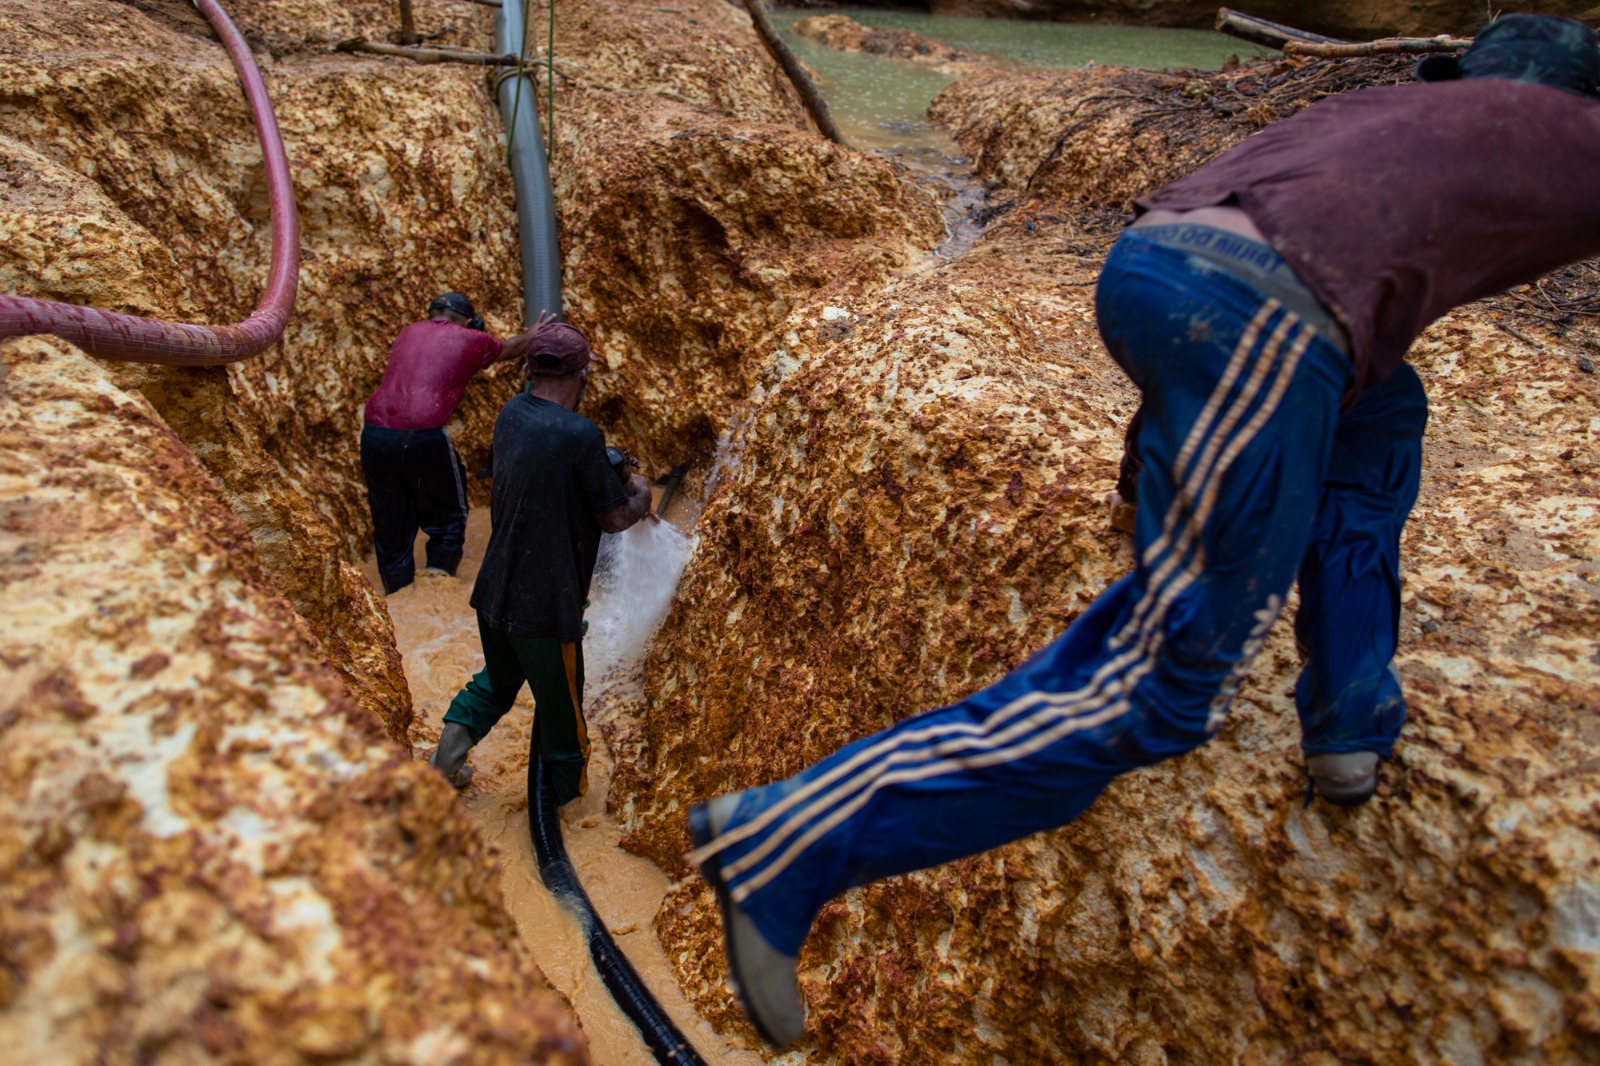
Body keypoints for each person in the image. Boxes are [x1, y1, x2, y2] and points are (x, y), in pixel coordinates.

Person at [685, 14, 1600, 1048]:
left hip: (1159, 270)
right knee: (1163, 689)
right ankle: (788, 839)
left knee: (1382, 410)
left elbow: (1210, 253)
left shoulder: (1377, 111)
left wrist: (1149, 478)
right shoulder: (1568, 139)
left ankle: (1349, 713)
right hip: (1261, 313)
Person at [429, 322, 655, 796]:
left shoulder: (511, 414)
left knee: (494, 684)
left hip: (494, 591)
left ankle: (440, 770)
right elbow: (614, 518)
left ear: (530, 370)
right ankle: (568, 806)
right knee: (564, 718)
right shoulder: (581, 435)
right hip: (546, 609)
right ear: (583, 375)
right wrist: (641, 491)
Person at [361, 293, 550, 595]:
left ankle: (397, 597)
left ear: (431, 315)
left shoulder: (408, 331)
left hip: (374, 433)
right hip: (423, 433)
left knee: (390, 519)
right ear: (469, 321)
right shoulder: (472, 338)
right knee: (449, 514)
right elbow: (513, 347)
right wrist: (534, 332)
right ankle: (437, 587)